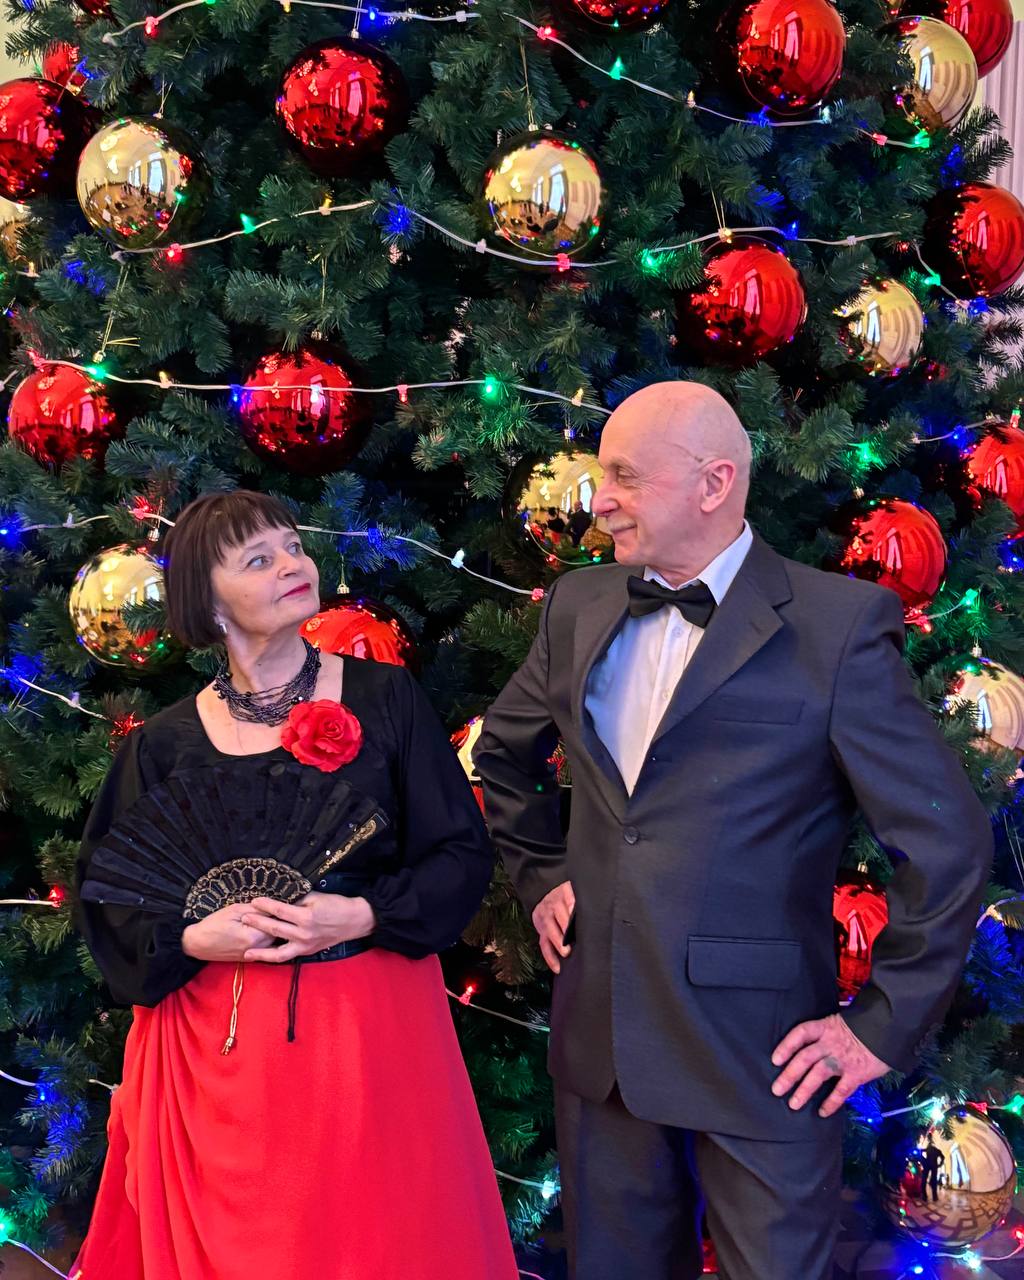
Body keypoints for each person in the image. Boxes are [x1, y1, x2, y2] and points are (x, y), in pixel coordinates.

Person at [473, 381, 993, 1280]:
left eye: (627, 477)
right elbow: (503, 756)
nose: (601, 501)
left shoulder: (836, 628)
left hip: (762, 1053)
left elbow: (947, 841)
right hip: (601, 1041)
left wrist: (878, 1027)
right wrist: (542, 874)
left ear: (713, 483)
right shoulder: (577, 605)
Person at [72, 491, 518, 1280]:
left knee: (381, 1246)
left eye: (291, 546)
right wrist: (192, 937)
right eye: (259, 559)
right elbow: (112, 902)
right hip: (216, 1059)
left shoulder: (385, 700)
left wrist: (360, 912)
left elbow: (460, 854)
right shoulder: (163, 745)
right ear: (211, 604)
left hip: (371, 1036)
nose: (291, 565)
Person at [921, 1135, 945, 1202]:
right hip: (934, 1165)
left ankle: (925, 1196)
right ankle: (934, 1197)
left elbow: (920, 1151)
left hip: (927, 1164)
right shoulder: (937, 1150)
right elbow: (943, 1157)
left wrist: (923, 1160)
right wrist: (940, 1164)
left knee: (924, 1179)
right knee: (933, 1181)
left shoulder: (928, 1149)